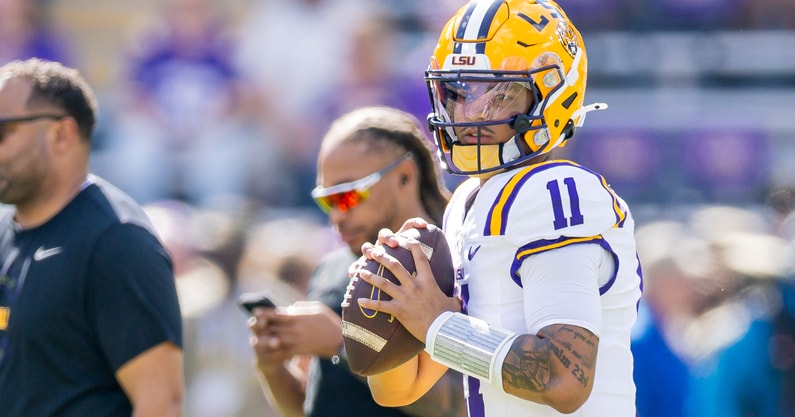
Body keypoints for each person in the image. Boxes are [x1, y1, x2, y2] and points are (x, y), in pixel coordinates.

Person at [356, 1, 643, 416]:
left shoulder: (557, 191)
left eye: (499, 94)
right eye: (459, 92)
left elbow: (564, 380)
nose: (471, 112)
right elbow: (403, 389)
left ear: (551, 96)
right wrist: (389, 304)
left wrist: (436, 323)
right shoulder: (468, 203)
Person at [246, 106, 466, 417]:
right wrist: (271, 367)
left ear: (404, 176)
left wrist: (342, 344)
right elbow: (309, 408)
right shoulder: (332, 269)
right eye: (327, 200)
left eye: (348, 195)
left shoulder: (454, 267)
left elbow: (461, 404)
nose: (336, 215)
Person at [0, 58, 183, 416]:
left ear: (62, 134)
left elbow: (161, 402)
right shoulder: (6, 233)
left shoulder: (117, 242)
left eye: (2, 132)